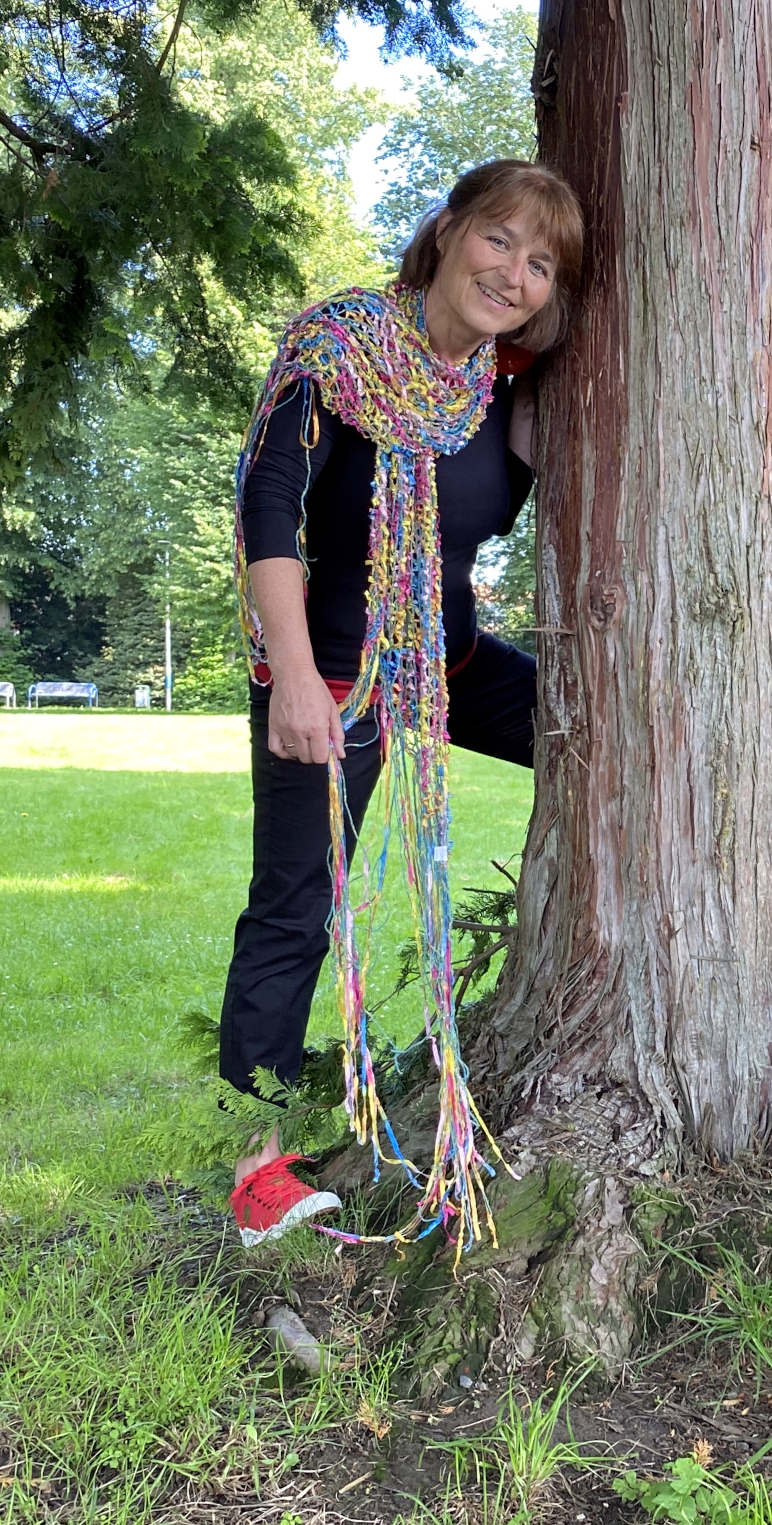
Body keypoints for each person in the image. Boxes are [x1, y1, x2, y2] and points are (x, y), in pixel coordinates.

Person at [217, 159, 584, 1248]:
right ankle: (256, 1168)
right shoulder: (339, 344)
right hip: (333, 669)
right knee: (294, 907)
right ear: (449, 230)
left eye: (541, 263)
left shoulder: (496, 394)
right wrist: (288, 671)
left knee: (611, 737)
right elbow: (266, 503)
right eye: (499, 240)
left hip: (452, 666)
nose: (513, 273)